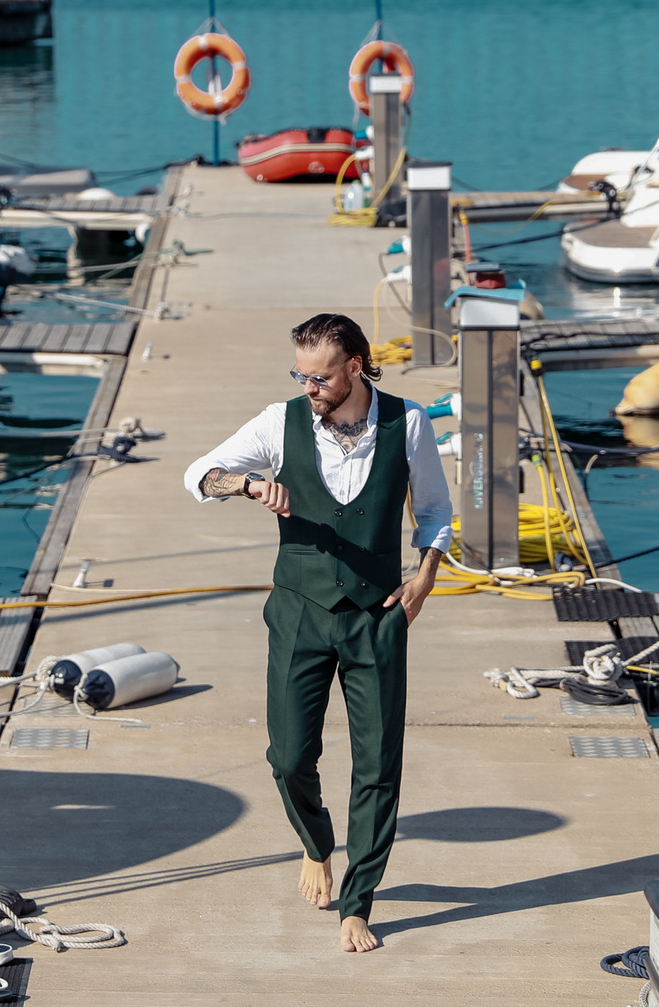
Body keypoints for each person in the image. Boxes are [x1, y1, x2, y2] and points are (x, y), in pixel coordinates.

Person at [182, 311, 452, 954]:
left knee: (379, 764)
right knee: (289, 756)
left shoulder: (407, 422)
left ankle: (358, 903)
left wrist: (425, 577)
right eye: (300, 375)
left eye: (321, 376)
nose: (310, 387)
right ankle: (315, 842)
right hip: (299, 611)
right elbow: (198, 476)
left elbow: (435, 507)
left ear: (355, 366)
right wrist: (246, 484)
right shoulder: (281, 423)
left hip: (377, 614)